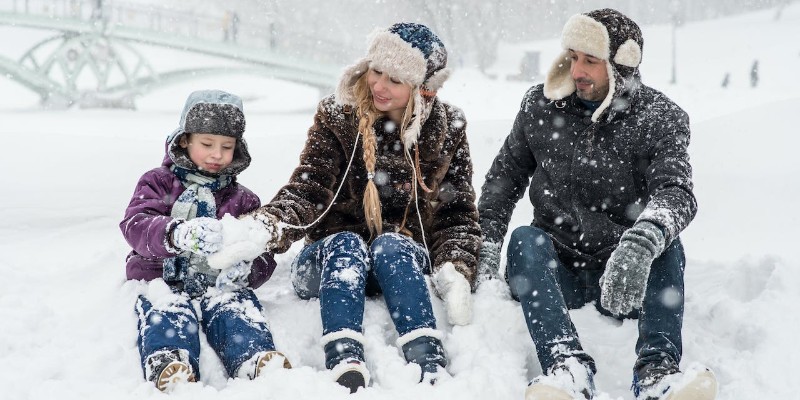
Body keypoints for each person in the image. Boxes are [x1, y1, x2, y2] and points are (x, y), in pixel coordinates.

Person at [477, 9, 717, 400]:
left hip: (625, 277)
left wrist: (640, 244)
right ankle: (567, 366)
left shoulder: (659, 117)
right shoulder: (540, 107)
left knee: (666, 242)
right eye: (573, 57)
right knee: (524, 239)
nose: (577, 71)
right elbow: (503, 181)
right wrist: (485, 244)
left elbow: (676, 192)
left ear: (621, 65)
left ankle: (657, 373)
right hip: (556, 272)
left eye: (591, 60)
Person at [243, 22, 481, 392]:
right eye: (377, 71)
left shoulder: (449, 127)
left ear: (423, 91)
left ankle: (426, 355)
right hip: (329, 261)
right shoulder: (338, 115)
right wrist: (268, 225)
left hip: (398, 263)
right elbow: (310, 188)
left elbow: (457, 212)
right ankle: (344, 355)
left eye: (395, 80)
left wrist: (456, 266)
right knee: (346, 244)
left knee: (392, 244)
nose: (379, 86)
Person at [120, 90, 291, 392]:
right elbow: (136, 224)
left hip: (218, 283)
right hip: (161, 277)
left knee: (235, 307)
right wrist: (176, 233)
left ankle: (253, 356)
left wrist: (247, 269)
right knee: (167, 309)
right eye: (207, 144)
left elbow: (261, 251)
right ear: (185, 140)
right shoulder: (158, 182)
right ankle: (170, 359)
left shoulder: (243, 200)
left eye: (227, 147)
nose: (217, 155)